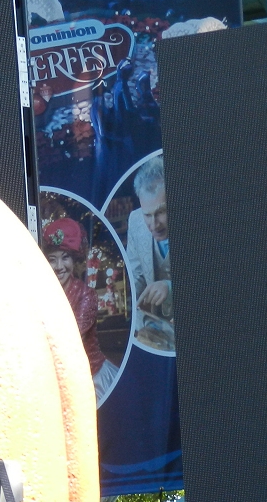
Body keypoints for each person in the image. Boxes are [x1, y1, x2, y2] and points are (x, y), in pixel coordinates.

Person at [42, 217, 120, 399]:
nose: (59, 267)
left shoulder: (86, 295)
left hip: (91, 380)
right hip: (56, 380)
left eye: (65, 258)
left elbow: (70, 341)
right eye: (52, 259)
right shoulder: (43, 293)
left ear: (74, 259)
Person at [126, 156, 174, 352]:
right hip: (157, 335)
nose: (154, 225)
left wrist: (170, 287)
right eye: (147, 214)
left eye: (161, 212)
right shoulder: (135, 220)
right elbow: (135, 276)